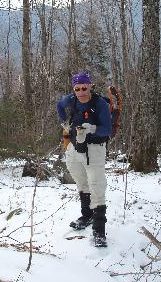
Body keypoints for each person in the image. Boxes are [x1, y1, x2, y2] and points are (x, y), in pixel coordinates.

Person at [56, 72, 112, 247]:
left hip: (94, 149)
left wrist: (92, 128)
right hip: (74, 147)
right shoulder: (71, 99)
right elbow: (59, 105)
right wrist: (65, 122)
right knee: (81, 182)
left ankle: (99, 230)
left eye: (84, 87)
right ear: (74, 88)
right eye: (77, 88)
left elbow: (107, 130)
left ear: (90, 86)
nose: (81, 91)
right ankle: (86, 215)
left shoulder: (99, 104)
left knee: (96, 185)